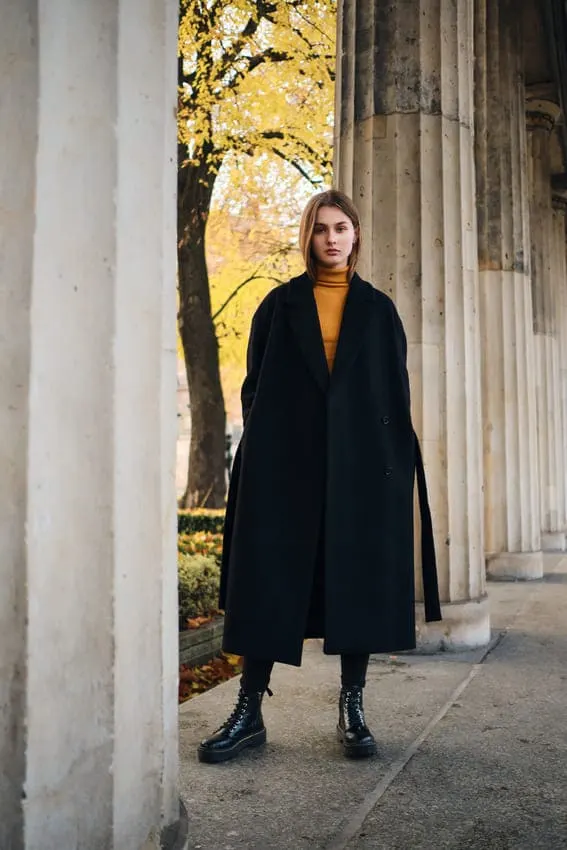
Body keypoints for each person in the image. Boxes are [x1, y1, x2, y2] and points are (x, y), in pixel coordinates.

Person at [197, 189, 441, 764]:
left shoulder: (379, 310)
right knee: (268, 580)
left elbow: (393, 392)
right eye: (320, 229)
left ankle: (352, 704)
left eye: (341, 228)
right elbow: (254, 388)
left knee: (353, 580)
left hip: (361, 471)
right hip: (284, 467)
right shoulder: (278, 306)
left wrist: (388, 462)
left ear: (356, 235)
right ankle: (249, 709)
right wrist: (263, 451)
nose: (330, 238)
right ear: (307, 237)